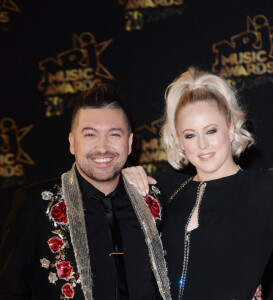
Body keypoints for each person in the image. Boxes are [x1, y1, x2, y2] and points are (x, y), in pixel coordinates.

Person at [122, 67, 273, 300]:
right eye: (190, 135)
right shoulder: (164, 189)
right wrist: (122, 177)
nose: (203, 145)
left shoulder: (265, 190)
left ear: (230, 128)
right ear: (179, 140)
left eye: (211, 130)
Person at [0, 84, 171, 300]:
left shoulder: (154, 199)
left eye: (114, 135)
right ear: (72, 142)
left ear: (129, 143)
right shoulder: (37, 204)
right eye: (90, 135)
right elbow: (9, 291)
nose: (102, 147)